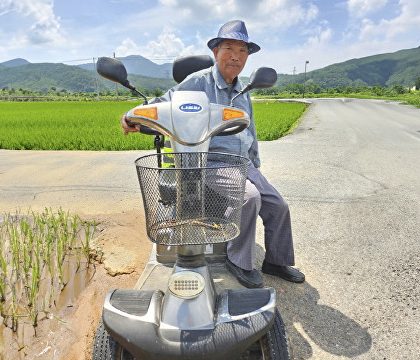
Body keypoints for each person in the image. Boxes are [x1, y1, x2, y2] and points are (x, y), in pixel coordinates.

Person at [121, 20, 304, 288]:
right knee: (249, 198)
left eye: (242, 51)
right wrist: (130, 116)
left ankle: (276, 260)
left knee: (278, 205)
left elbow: (249, 131)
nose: (235, 56)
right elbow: (165, 102)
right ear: (216, 52)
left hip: (244, 163)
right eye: (229, 48)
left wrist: (256, 166)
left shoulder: (243, 90)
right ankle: (238, 260)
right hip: (212, 163)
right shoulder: (198, 82)